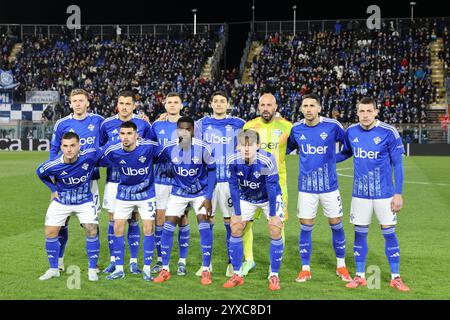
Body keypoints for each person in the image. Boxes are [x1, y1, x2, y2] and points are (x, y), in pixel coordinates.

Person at [336, 97, 410, 292]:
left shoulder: (388, 132)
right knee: (360, 234)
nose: (365, 115)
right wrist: (326, 158)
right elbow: (346, 153)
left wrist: (398, 193)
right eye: (362, 111)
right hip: (360, 194)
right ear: (357, 113)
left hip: (384, 194)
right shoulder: (351, 131)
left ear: (376, 112)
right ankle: (360, 276)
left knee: (389, 233)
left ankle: (395, 277)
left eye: (369, 111)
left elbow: (398, 164)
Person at [286, 93, 351, 283]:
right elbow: (286, 149)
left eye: (312, 105)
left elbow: (348, 148)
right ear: (301, 109)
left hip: (329, 187)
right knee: (305, 227)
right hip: (306, 188)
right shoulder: (296, 129)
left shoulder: (333, 126)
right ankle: (305, 269)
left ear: (319, 108)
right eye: (305, 106)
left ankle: (341, 265)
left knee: (336, 224)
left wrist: (333, 160)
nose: (308, 109)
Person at [153, 117, 216, 285]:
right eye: (181, 129)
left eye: (188, 129)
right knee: (167, 227)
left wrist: (208, 197)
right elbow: (151, 157)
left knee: (204, 225)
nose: (184, 133)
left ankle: (205, 270)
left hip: (200, 192)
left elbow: (212, 171)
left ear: (193, 131)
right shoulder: (169, 147)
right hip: (178, 191)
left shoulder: (203, 147)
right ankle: (165, 269)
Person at [99, 90, 155, 275]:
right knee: (113, 220)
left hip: (137, 181)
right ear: (117, 103)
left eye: (128, 103)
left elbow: (149, 147)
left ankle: (132, 261)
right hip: (114, 180)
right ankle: (115, 261)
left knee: (134, 220)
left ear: (134, 105)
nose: (124, 107)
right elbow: (102, 149)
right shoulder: (106, 123)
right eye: (121, 103)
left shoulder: (143, 123)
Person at [49, 88, 104, 272]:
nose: (78, 104)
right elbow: (53, 151)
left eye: (82, 100)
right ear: (70, 104)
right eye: (75, 101)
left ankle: (93, 264)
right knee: (62, 222)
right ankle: (59, 260)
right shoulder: (62, 123)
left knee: (92, 223)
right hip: (64, 182)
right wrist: (53, 182)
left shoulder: (98, 121)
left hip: (90, 180)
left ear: (88, 102)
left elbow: (113, 135)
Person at [223, 129, 284, 291]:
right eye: (243, 145)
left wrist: (272, 215)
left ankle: (274, 275)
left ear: (258, 145)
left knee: (275, 229)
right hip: (247, 197)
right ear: (238, 146)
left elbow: (271, 188)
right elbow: (233, 187)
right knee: (235, 227)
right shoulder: (233, 161)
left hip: (268, 197)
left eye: (250, 145)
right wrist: (237, 212)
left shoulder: (266, 161)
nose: (247, 148)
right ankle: (237, 274)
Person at [36, 132, 102, 281]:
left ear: (79, 145)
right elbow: (39, 173)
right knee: (50, 232)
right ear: (61, 147)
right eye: (65, 146)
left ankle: (92, 270)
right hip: (62, 201)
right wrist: (53, 190)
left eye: (72, 145)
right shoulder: (53, 164)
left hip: (84, 200)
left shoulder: (90, 155)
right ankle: (54, 269)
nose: (69, 149)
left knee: (92, 229)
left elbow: (108, 150)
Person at [240, 92, 292, 276]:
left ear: (276, 107)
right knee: (246, 223)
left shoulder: (288, 126)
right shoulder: (249, 126)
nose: (266, 108)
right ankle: (249, 260)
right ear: (258, 106)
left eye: (269, 105)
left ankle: (274, 267)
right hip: (253, 182)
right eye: (263, 105)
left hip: (279, 183)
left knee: (278, 224)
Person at [195, 91, 245, 277]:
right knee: (206, 220)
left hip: (229, 181)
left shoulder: (239, 124)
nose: (218, 104)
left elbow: (253, 133)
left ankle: (231, 263)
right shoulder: (201, 124)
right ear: (210, 104)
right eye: (215, 101)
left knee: (229, 223)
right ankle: (206, 265)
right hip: (208, 181)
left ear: (228, 104)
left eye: (222, 101)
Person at [151, 92, 191, 276]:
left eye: (176, 102)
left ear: (181, 105)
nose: (173, 105)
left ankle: (182, 261)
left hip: (181, 178)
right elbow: (150, 148)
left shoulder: (189, 125)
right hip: (160, 178)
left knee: (182, 218)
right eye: (170, 102)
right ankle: (160, 259)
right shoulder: (157, 125)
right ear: (165, 105)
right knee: (160, 219)